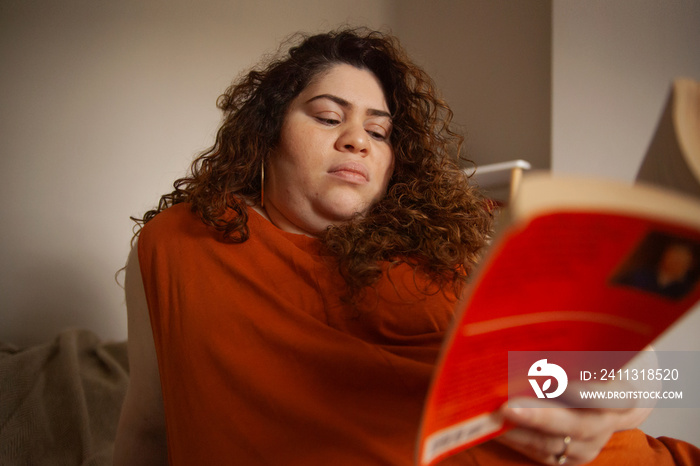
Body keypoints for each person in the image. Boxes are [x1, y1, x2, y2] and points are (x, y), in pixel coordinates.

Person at [114, 28, 695, 466]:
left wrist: (626, 388)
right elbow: (148, 427)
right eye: (326, 117)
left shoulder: (453, 241)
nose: (356, 142)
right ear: (266, 136)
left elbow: (667, 378)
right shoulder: (178, 244)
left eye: (378, 131)